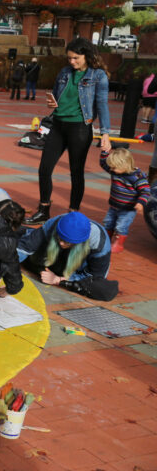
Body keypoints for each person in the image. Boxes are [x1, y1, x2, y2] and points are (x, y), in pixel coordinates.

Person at [25, 38, 112, 225]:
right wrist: (52, 102)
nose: (71, 62)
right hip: (57, 125)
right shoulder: (65, 72)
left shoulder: (98, 76)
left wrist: (105, 133)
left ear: (87, 56)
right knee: (44, 169)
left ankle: (73, 212)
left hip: (80, 128)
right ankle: (43, 209)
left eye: (75, 58)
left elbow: (102, 105)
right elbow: (56, 95)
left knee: (76, 172)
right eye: (69, 58)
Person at [18, 211, 118, 301]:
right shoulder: (56, 222)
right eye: (60, 238)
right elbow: (25, 247)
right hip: (53, 258)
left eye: (66, 242)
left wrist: (58, 280)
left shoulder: (100, 244)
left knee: (100, 288)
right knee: (14, 238)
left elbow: (95, 277)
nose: (61, 243)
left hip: (76, 269)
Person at [99, 148, 150, 253]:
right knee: (108, 222)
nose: (111, 169)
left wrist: (141, 203)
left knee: (121, 226)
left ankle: (119, 244)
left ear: (124, 165)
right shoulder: (116, 171)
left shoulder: (137, 177)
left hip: (128, 209)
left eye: (114, 167)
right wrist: (104, 152)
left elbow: (145, 191)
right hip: (114, 205)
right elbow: (104, 164)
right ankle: (106, 238)